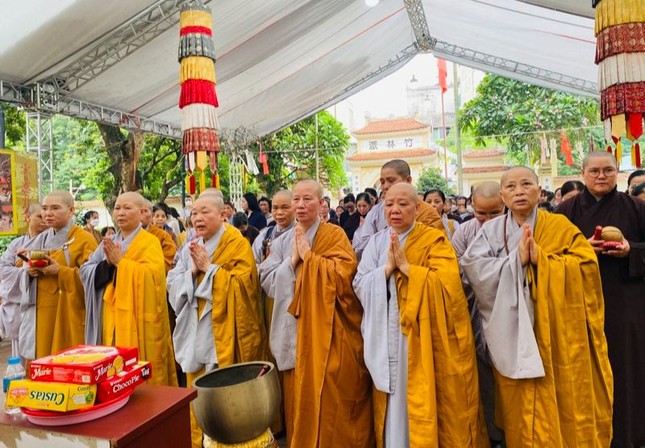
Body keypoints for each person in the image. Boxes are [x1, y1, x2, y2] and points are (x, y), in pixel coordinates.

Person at [461, 167, 613, 447]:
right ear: (502, 196)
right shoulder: (491, 231)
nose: (519, 191)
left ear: (539, 190)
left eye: (526, 184)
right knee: (518, 402)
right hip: (512, 330)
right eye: (511, 187)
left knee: (560, 395)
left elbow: (586, 266)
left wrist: (542, 261)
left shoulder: (561, 227)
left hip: (554, 331)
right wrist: (514, 263)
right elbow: (473, 269)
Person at [354, 183, 487, 447]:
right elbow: (360, 283)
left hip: (422, 336)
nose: (395, 210)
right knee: (393, 401)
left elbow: (448, 286)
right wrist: (387, 270)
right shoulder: (377, 242)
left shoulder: (434, 240)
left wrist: (409, 270)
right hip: (386, 331)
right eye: (389, 204)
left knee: (420, 397)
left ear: (417, 208)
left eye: (403, 204)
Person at [258, 180, 373, 447]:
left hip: (330, 332)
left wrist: (311, 258)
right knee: (300, 396)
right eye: (296, 199)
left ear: (322, 204)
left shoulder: (334, 235)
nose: (300, 205)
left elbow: (346, 276)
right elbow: (266, 278)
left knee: (334, 394)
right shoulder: (282, 241)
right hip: (294, 329)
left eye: (307, 199)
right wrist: (293, 262)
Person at [556, 152, 645, 447]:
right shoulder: (564, 212)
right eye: (594, 171)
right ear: (583, 173)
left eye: (608, 170)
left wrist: (629, 249)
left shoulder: (636, 208)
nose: (601, 176)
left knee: (625, 369)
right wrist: (583, 249)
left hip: (624, 303)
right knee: (584, 370)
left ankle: (627, 436)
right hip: (578, 305)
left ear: (617, 172)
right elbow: (549, 255)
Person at [168, 193, 266, 448]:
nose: (197, 218)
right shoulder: (191, 245)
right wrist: (192, 270)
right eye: (194, 213)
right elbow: (172, 282)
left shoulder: (237, 243)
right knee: (197, 396)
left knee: (223, 396)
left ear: (223, 213)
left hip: (224, 334)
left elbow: (245, 286)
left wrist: (210, 270)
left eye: (205, 212)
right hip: (195, 332)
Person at [80, 192, 177, 387]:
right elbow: (86, 272)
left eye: (127, 208)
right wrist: (107, 264)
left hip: (139, 319)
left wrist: (121, 263)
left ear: (142, 213)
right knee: (114, 372)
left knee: (140, 375)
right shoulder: (108, 242)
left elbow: (154, 279)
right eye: (117, 208)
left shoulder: (149, 243)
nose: (120, 213)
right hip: (111, 317)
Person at [18, 191, 98, 360]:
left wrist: (60, 271)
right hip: (43, 310)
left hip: (70, 309)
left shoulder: (84, 239)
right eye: (45, 208)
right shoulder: (39, 240)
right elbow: (22, 269)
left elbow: (92, 278)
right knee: (44, 358)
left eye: (55, 208)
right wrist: (30, 272)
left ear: (71, 210)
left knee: (68, 360)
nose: (48, 213)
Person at [352, 159, 443, 257]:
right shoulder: (375, 211)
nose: (385, 186)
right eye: (382, 182)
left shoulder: (428, 214)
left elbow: (435, 251)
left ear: (408, 181)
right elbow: (363, 244)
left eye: (391, 180)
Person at [0, 204, 47, 356]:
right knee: (20, 357)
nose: (44, 220)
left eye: (45, 216)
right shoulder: (16, 244)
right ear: (28, 218)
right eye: (39, 216)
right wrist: (24, 272)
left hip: (43, 304)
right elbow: (3, 271)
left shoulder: (52, 242)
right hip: (20, 307)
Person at [142, 200, 176, 273]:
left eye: (163, 216)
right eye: (157, 216)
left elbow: (168, 259)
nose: (160, 219)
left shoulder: (166, 235)